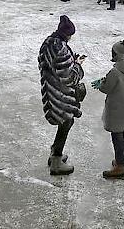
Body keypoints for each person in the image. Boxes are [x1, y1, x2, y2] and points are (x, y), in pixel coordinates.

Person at [38, 15, 85, 176]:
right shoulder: (60, 48)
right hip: (60, 95)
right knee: (66, 122)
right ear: (67, 34)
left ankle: (55, 153)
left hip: (51, 91)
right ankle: (56, 161)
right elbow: (69, 77)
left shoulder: (48, 43)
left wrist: (72, 60)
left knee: (65, 122)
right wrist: (78, 66)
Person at [91, 39, 124, 180]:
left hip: (116, 107)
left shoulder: (115, 71)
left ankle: (120, 166)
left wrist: (102, 83)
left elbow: (106, 88)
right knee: (120, 134)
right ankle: (119, 161)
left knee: (117, 136)